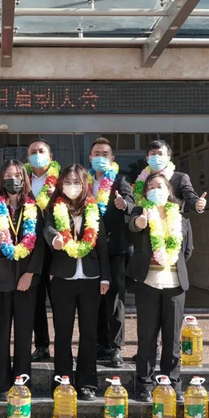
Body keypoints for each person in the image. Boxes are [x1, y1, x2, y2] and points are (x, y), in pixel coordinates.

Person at [0, 160, 45, 401]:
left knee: (24, 334)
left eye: (17, 175)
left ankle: (22, 382)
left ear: (24, 179)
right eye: (8, 176)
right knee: (0, 334)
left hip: (26, 280)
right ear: (2, 180)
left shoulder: (34, 209)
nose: (13, 180)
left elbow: (39, 245)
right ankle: (1, 384)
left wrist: (30, 273)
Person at [43, 164, 110, 401]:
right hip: (62, 278)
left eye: (76, 182)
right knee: (63, 332)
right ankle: (63, 379)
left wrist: (105, 276)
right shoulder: (53, 207)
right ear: (61, 184)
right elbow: (48, 229)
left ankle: (87, 382)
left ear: (84, 185)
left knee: (89, 332)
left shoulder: (93, 208)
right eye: (68, 182)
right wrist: (55, 239)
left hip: (91, 278)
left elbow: (102, 244)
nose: (72, 186)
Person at [127, 173, 193, 402]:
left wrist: (170, 262)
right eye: (151, 186)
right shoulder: (141, 212)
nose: (156, 189)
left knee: (172, 338)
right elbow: (132, 227)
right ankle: (144, 384)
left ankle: (172, 383)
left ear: (169, 190)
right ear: (146, 192)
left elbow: (187, 250)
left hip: (175, 285)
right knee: (147, 337)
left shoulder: (181, 217)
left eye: (160, 186)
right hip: (148, 284)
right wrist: (139, 222)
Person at [87, 137, 135, 368]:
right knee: (95, 297)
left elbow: (131, 205)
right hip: (90, 248)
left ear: (112, 158)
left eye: (105, 154)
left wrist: (124, 205)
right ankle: (101, 343)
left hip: (115, 247)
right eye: (97, 154)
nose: (100, 158)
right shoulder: (84, 182)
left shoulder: (120, 180)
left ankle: (116, 347)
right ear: (90, 158)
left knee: (115, 298)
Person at [24, 139, 59, 362]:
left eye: (41, 151)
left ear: (50, 156)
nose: (37, 154)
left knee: (59, 300)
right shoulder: (22, 180)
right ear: (28, 158)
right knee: (36, 301)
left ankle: (63, 345)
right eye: (33, 152)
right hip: (30, 247)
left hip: (57, 247)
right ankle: (42, 345)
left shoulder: (62, 180)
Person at [133, 139, 207, 214]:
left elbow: (189, 196)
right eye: (153, 153)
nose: (156, 157)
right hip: (146, 219)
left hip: (174, 220)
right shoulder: (141, 179)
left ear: (168, 158)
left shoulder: (180, 178)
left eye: (160, 154)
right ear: (147, 157)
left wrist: (196, 203)